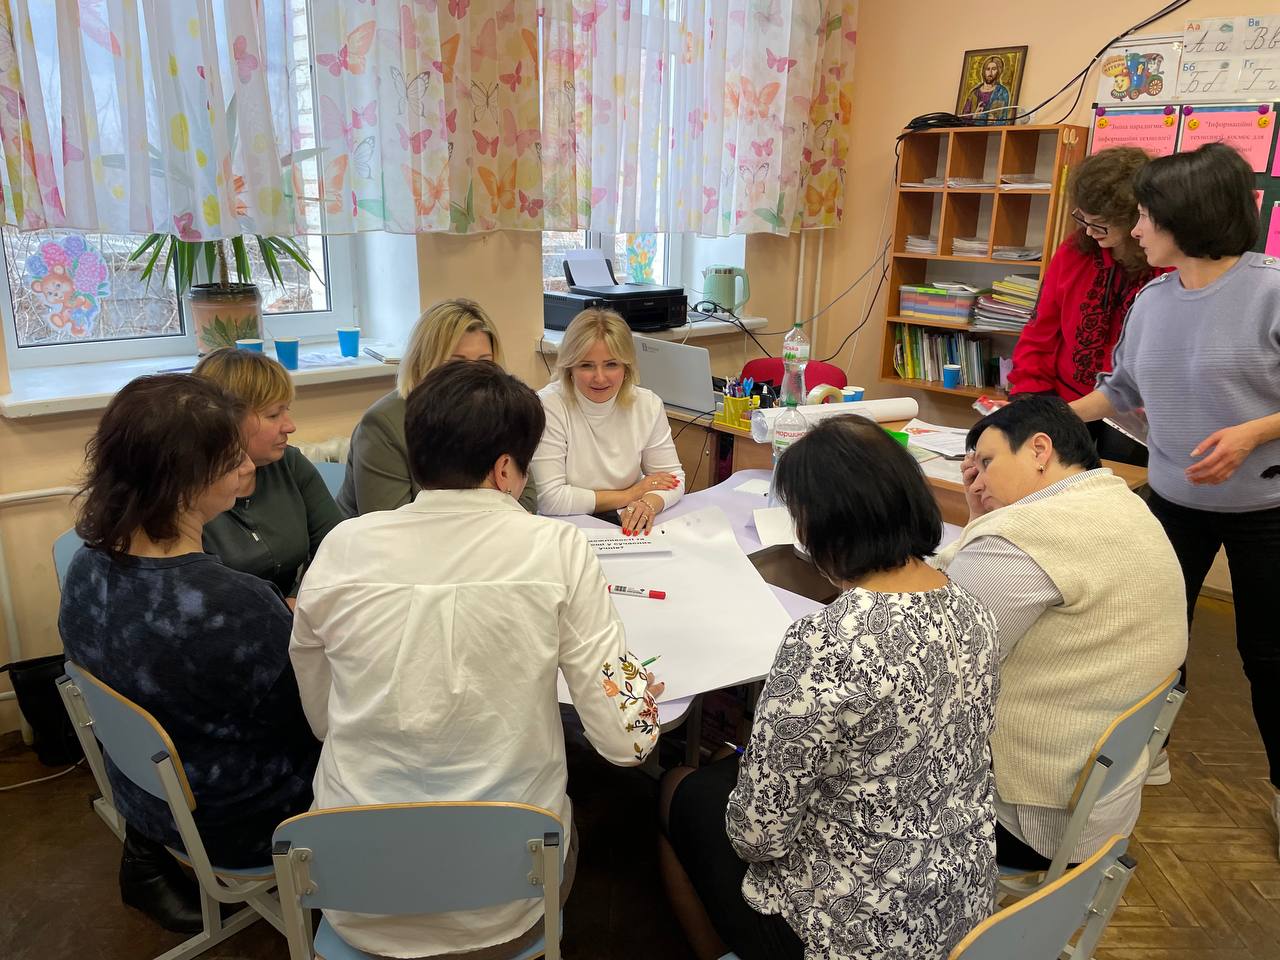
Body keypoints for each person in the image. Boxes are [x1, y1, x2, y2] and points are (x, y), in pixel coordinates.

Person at [290, 360, 663, 958]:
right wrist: (636, 697)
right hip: (506, 904)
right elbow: (629, 744)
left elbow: (322, 719)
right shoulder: (558, 548)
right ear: (505, 468)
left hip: (353, 890)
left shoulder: (342, 546)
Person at [660, 417, 998, 960]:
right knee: (727, 775)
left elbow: (757, 836)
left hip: (852, 930)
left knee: (680, 790)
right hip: (958, 899)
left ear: (823, 527)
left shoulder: (826, 643)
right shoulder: (972, 609)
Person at [1069, 142, 1280, 849]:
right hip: (1171, 503)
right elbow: (1122, 389)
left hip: (1267, 511)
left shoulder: (1271, 291)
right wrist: (1043, 419)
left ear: (1185, 218)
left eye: (1145, 216)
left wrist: (1252, 433)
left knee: (1269, 656)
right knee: (1154, 641)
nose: (1134, 230)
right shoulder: (1153, 300)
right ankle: (1148, 753)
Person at [58, 375, 319, 932]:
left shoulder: (86, 565)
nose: (246, 467)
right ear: (188, 479)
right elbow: (312, 725)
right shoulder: (232, 603)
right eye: (233, 459)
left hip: (148, 800)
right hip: (244, 823)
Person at [934, 395, 1186, 870]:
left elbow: (938, 658)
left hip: (1030, 819)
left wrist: (984, 526)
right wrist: (982, 518)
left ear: (1039, 450)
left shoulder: (1024, 534)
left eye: (986, 462)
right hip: (1102, 799)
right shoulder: (1121, 502)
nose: (978, 480)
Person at [1008, 147, 1167, 465]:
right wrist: (1029, 397)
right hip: (1063, 397)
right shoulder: (1074, 252)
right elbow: (1040, 330)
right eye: (1083, 219)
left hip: (1134, 415)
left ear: (1135, 219)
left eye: (1101, 225)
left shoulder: (1165, 266)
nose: (1089, 231)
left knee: (1121, 481)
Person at [336, 298, 537, 516]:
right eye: (456, 363)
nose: (472, 374)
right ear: (423, 361)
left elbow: (526, 499)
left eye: (484, 363)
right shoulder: (383, 425)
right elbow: (392, 524)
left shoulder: (503, 413)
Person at [194, 348, 344, 599]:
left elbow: (337, 546)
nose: (290, 426)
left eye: (287, 410)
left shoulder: (289, 463)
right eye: (273, 415)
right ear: (224, 421)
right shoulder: (188, 490)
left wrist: (298, 599)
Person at [530, 309, 683, 535]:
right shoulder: (548, 406)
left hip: (624, 522)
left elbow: (673, 478)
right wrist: (631, 494)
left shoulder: (647, 404)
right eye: (586, 365)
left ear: (626, 366)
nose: (600, 378)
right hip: (566, 528)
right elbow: (550, 499)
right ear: (569, 367)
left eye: (611, 364)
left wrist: (647, 503)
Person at [961, 54, 1011, 124]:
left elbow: (1003, 118)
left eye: (994, 69)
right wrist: (974, 116)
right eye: (988, 69)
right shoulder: (974, 93)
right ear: (984, 71)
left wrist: (994, 120)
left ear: (999, 71)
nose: (990, 72)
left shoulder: (1002, 92)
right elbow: (963, 119)